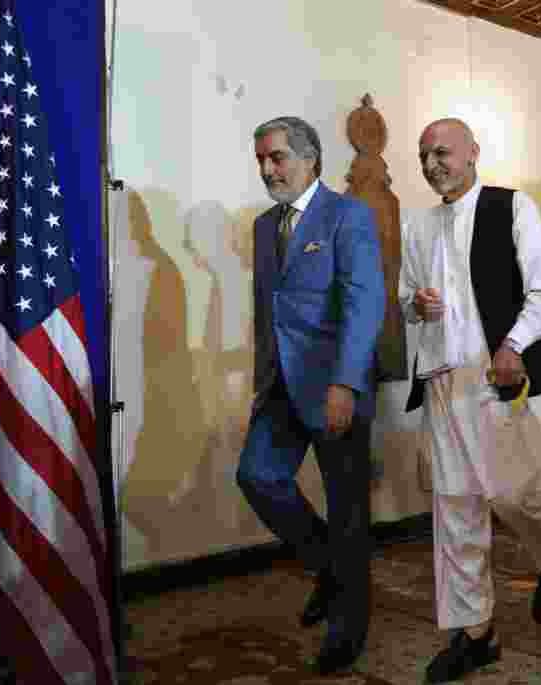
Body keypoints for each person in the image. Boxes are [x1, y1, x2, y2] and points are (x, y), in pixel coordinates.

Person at [400, 118, 541, 684]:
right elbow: (405, 296)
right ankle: (475, 634)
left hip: (504, 380)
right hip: (444, 384)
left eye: (442, 152)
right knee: (456, 508)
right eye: (424, 155)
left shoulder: (512, 207)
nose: (432, 164)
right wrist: (414, 304)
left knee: (520, 496)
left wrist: (514, 344)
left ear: (473, 152)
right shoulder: (417, 225)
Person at [235, 116, 385, 674]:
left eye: (276, 158)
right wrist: (261, 382)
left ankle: (349, 628)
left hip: (332, 386)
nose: (267, 169)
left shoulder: (348, 215)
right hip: (280, 385)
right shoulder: (262, 226)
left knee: (348, 513)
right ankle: (328, 565)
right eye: (261, 161)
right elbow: (268, 311)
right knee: (258, 476)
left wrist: (346, 382)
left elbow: (365, 301)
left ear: (310, 158)